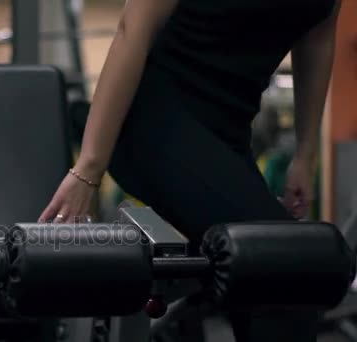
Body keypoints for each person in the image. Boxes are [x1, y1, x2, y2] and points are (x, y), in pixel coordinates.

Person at [39, 1, 341, 341]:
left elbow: (318, 39)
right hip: (154, 123)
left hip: (228, 135)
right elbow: (131, 32)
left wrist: (305, 153)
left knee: (263, 282)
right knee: (286, 270)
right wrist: (88, 169)